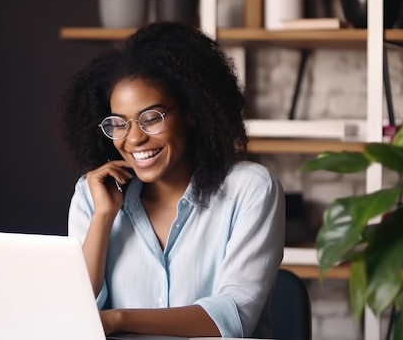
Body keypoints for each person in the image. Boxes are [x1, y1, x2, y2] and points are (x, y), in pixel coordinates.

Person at [56, 22, 285, 339]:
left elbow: (232, 317)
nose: (133, 138)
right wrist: (103, 216)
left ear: (192, 112)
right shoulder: (93, 195)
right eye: (118, 124)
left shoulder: (250, 190)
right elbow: (74, 310)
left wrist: (118, 319)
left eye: (151, 118)